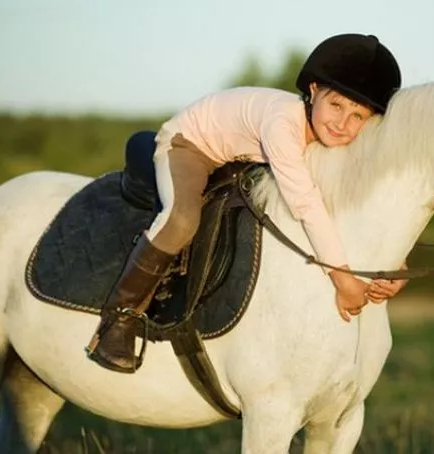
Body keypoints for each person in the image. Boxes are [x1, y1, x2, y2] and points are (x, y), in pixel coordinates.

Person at [86, 33, 408, 374]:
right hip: (191, 144)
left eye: (358, 116)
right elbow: (308, 205)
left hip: (238, 155)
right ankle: (118, 318)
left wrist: (397, 265)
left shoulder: (329, 135)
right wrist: (343, 281)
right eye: (337, 105)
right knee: (181, 219)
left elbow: (350, 201)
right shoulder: (282, 123)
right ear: (313, 92)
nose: (343, 124)